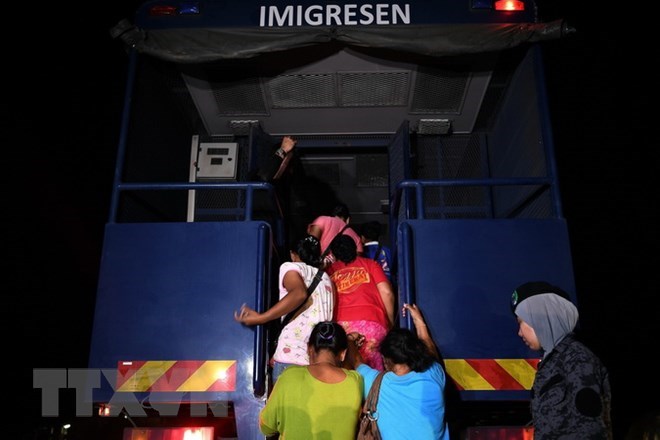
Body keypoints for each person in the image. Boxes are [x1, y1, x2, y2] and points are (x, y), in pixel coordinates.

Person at [510, 281, 613, 439]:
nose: (519, 333)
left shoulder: (577, 358)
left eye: (521, 322)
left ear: (539, 319)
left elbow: (589, 427)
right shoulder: (551, 361)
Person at [234, 235, 334, 384]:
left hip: (292, 356)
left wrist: (261, 317)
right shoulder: (327, 279)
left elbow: (299, 293)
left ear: (293, 254)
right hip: (320, 361)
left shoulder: (291, 267)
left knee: (286, 407)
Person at [345, 303, 451, 439]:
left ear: (386, 360)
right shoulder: (433, 374)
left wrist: (350, 339)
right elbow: (430, 352)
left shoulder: (375, 383)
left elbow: (355, 360)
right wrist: (420, 323)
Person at [259, 321, 363, 440]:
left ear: (309, 349)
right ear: (343, 354)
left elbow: (266, 427)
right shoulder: (355, 381)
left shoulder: (289, 376)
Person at [326, 234, 395, 371]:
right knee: (373, 371)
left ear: (333, 254)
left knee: (347, 372)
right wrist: (390, 322)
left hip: (342, 326)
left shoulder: (329, 271)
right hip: (373, 322)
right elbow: (387, 292)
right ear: (355, 248)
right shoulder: (370, 264)